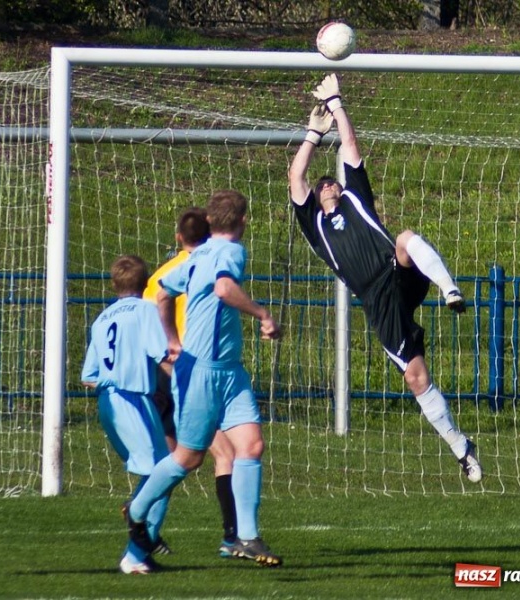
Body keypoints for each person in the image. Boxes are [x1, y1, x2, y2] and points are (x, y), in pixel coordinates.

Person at [288, 73, 482, 483]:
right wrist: (312, 134)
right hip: (377, 301)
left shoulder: (355, 196)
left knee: (406, 238)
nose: (326, 185)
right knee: (416, 377)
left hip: (396, 271)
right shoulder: (314, 225)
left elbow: (352, 148)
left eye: (331, 181)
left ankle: (450, 289)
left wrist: (338, 105)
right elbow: (296, 179)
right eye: (321, 185)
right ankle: (462, 449)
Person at [126, 190, 284, 568]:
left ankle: (246, 537)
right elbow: (224, 289)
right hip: (201, 372)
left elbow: (162, 294)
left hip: (228, 370)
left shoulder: (196, 256)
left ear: (211, 221)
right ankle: (137, 508)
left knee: (252, 446)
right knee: (188, 457)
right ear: (243, 221)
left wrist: (171, 340)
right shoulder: (232, 252)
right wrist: (262, 314)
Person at [142, 206, 240, 558]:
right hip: (190, 375)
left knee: (174, 458)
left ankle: (147, 530)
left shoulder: (163, 274)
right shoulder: (211, 265)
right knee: (213, 455)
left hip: (157, 373)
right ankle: (231, 538)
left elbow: (150, 311)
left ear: (178, 237)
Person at [82, 255, 173, 574]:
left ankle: (141, 548)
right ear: (146, 282)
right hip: (131, 399)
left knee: (158, 472)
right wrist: (182, 386)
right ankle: (135, 552)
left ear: (114, 284)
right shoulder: (146, 310)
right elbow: (162, 354)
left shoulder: (102, 319)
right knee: (164, 472)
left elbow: (88, 375)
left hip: (109, 400)